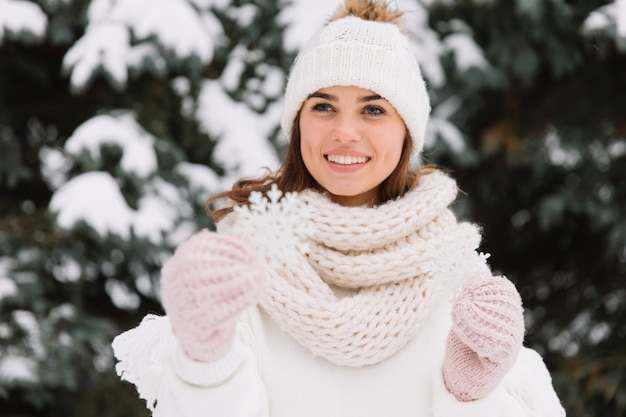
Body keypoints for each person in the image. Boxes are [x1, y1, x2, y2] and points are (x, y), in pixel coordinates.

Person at [112, 0, 566, 416]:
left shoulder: (457, 278)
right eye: (324, 106)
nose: (345, 132)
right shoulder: (241, 266)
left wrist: (471, 395)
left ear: (406, 131)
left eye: (373, 110)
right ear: (298, 125)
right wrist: (205, 363)